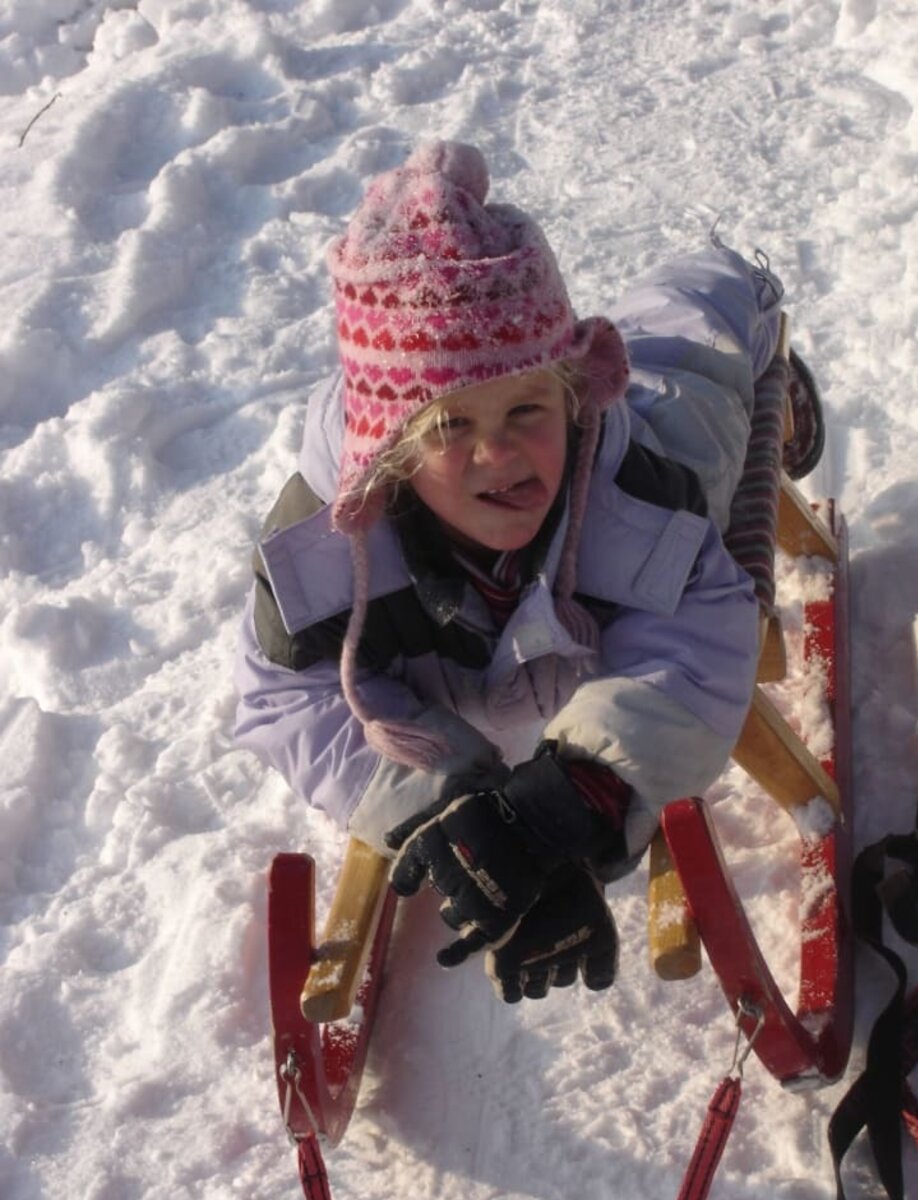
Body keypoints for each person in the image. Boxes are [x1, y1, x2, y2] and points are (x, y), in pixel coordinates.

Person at [234, 141, 784, 1003]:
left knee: (699, 368)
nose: (500, 453)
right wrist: (451, 808)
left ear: (571, 397)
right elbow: (281, 693)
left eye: (528, 408)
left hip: (675, 415)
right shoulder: (325, 544)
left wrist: (573, 801)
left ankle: (756, 329)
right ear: (389, 453)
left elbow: (702, 634)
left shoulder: (633, 491)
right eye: (449, 427)